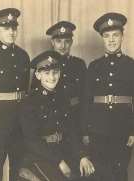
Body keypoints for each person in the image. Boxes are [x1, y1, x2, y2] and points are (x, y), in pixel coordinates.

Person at [17, 50, 94, 181]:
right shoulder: (30, 102)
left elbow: (71, 130)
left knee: (91, 174)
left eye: (55, 72)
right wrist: (59, 161)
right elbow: (32, 141)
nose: (52, 77)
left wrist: (82, 156)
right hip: (40, 156)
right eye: (46, 73)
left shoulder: (63, 98)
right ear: (38, 75)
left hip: (64, 149)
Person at [84, 12, 134, 181]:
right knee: (99, 173)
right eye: (107, 36)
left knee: (119, 173)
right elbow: (86, 102)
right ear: (102, 39)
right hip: (98, 129)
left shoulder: (131, 65)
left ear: (122, 36)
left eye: (115, 35)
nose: (111, 40)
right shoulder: (94, 67)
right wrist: (86, 131)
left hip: (123, 129)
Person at [0, 8, 30, 181]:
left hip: (20, 122)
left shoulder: (23, 56)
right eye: (6, 28)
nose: (11, 32)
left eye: (14, 28)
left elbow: (25, 91)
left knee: (18, 167)